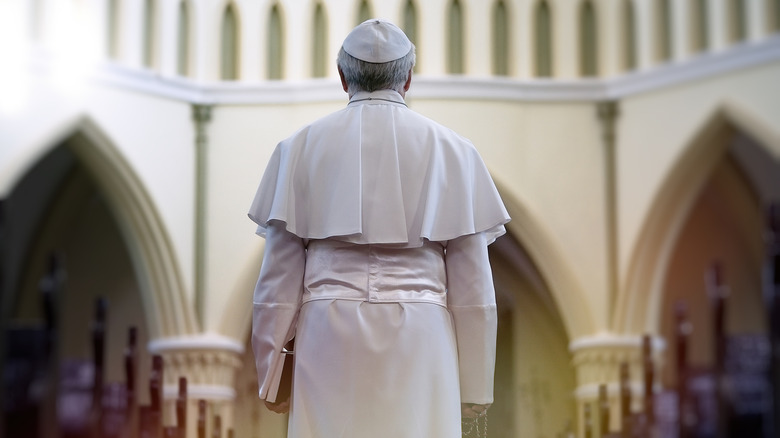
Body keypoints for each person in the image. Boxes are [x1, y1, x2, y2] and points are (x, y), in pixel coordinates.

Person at [249, 19, 510, 438]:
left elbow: (276, 285)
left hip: (327, 337)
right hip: (422, 336)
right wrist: (475, 384)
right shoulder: (454, 152)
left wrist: (271, 373)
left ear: (341, 77)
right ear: (408, 79)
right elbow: (473, 284)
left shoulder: (298, 148)